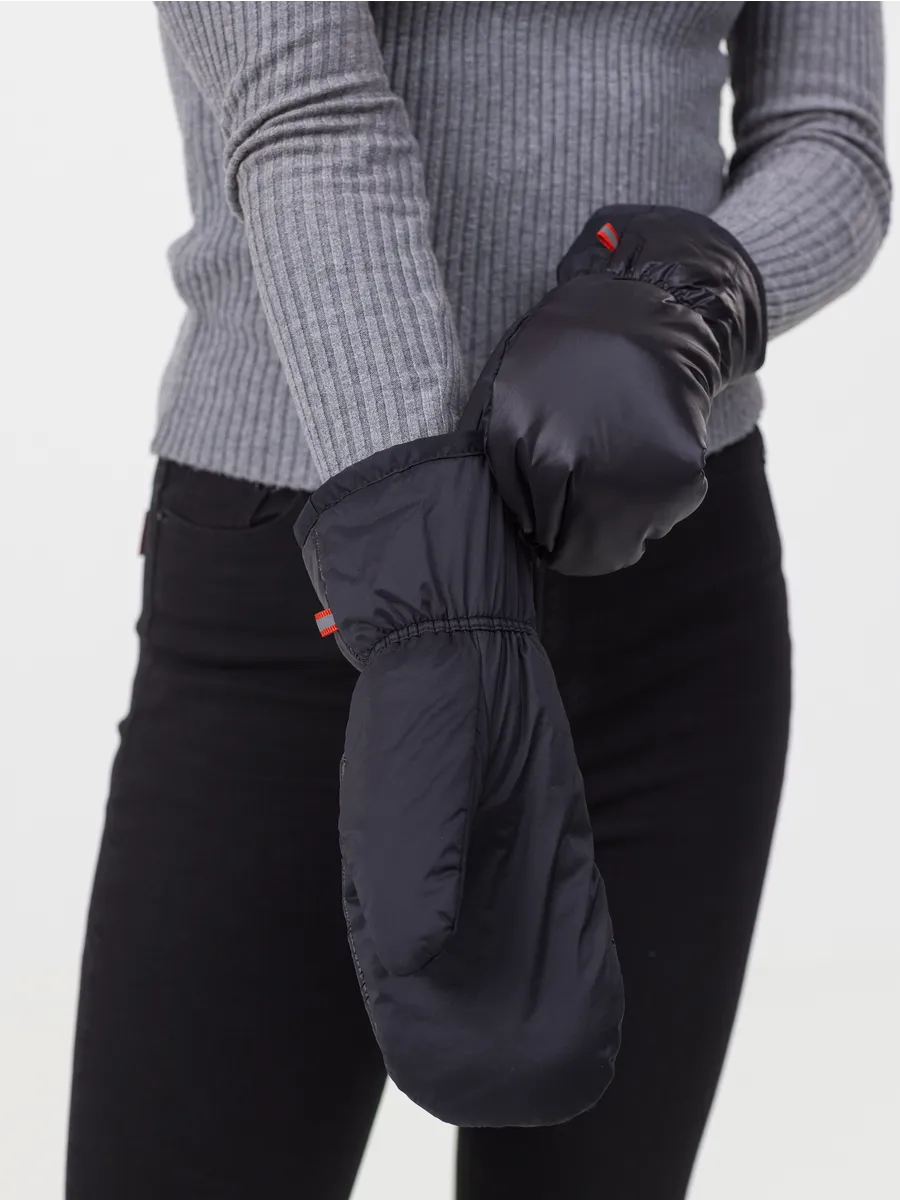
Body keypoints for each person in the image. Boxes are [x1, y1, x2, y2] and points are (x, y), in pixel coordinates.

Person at [66, 2, 891, 1197]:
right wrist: (438, 597)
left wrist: (682, 308)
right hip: (315, 570)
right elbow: (301, 112)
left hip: (668, 585)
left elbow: (830, 135)